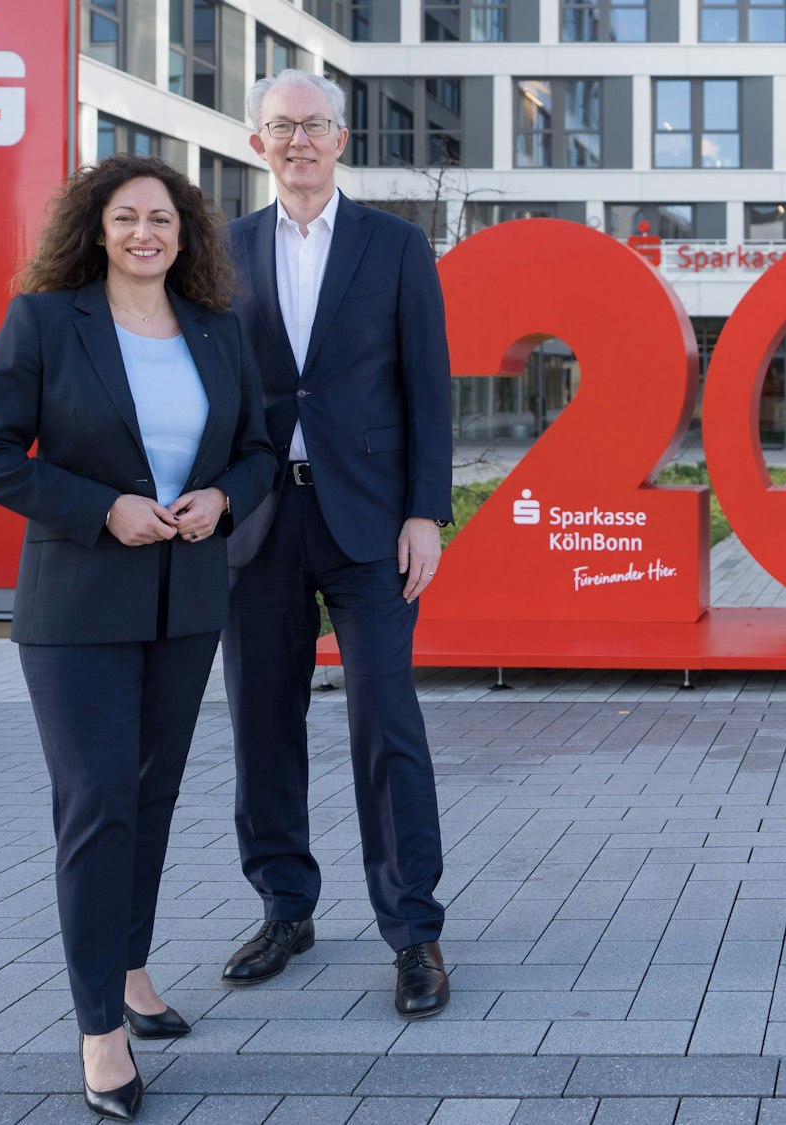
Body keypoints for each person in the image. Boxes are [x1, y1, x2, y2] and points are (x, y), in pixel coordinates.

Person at [0, 153, 277, 1121]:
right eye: (128, 217)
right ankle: (99, 1027)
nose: (147, 233)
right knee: (98, 801)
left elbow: (257, 450)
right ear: (96, 228)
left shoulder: (217, 332)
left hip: (183, 603)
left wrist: (224, 497)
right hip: (77, 608)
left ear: (187, 237)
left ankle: (130, 968)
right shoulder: (49, 321)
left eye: (164, 221)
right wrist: (104, 510)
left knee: (152, 795)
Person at [218, 68, 456, 1018]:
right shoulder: (221, 250)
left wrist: (424, 512)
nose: (300, 141)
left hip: (368, 523)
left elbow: (427, 387)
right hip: (259, 522)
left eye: (316, 125)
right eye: (282, 127)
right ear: (257, 143)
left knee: (385, 722)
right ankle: (286, 905)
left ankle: (413, 928)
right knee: (259, 720)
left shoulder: (396, 246)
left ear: (344, 139)